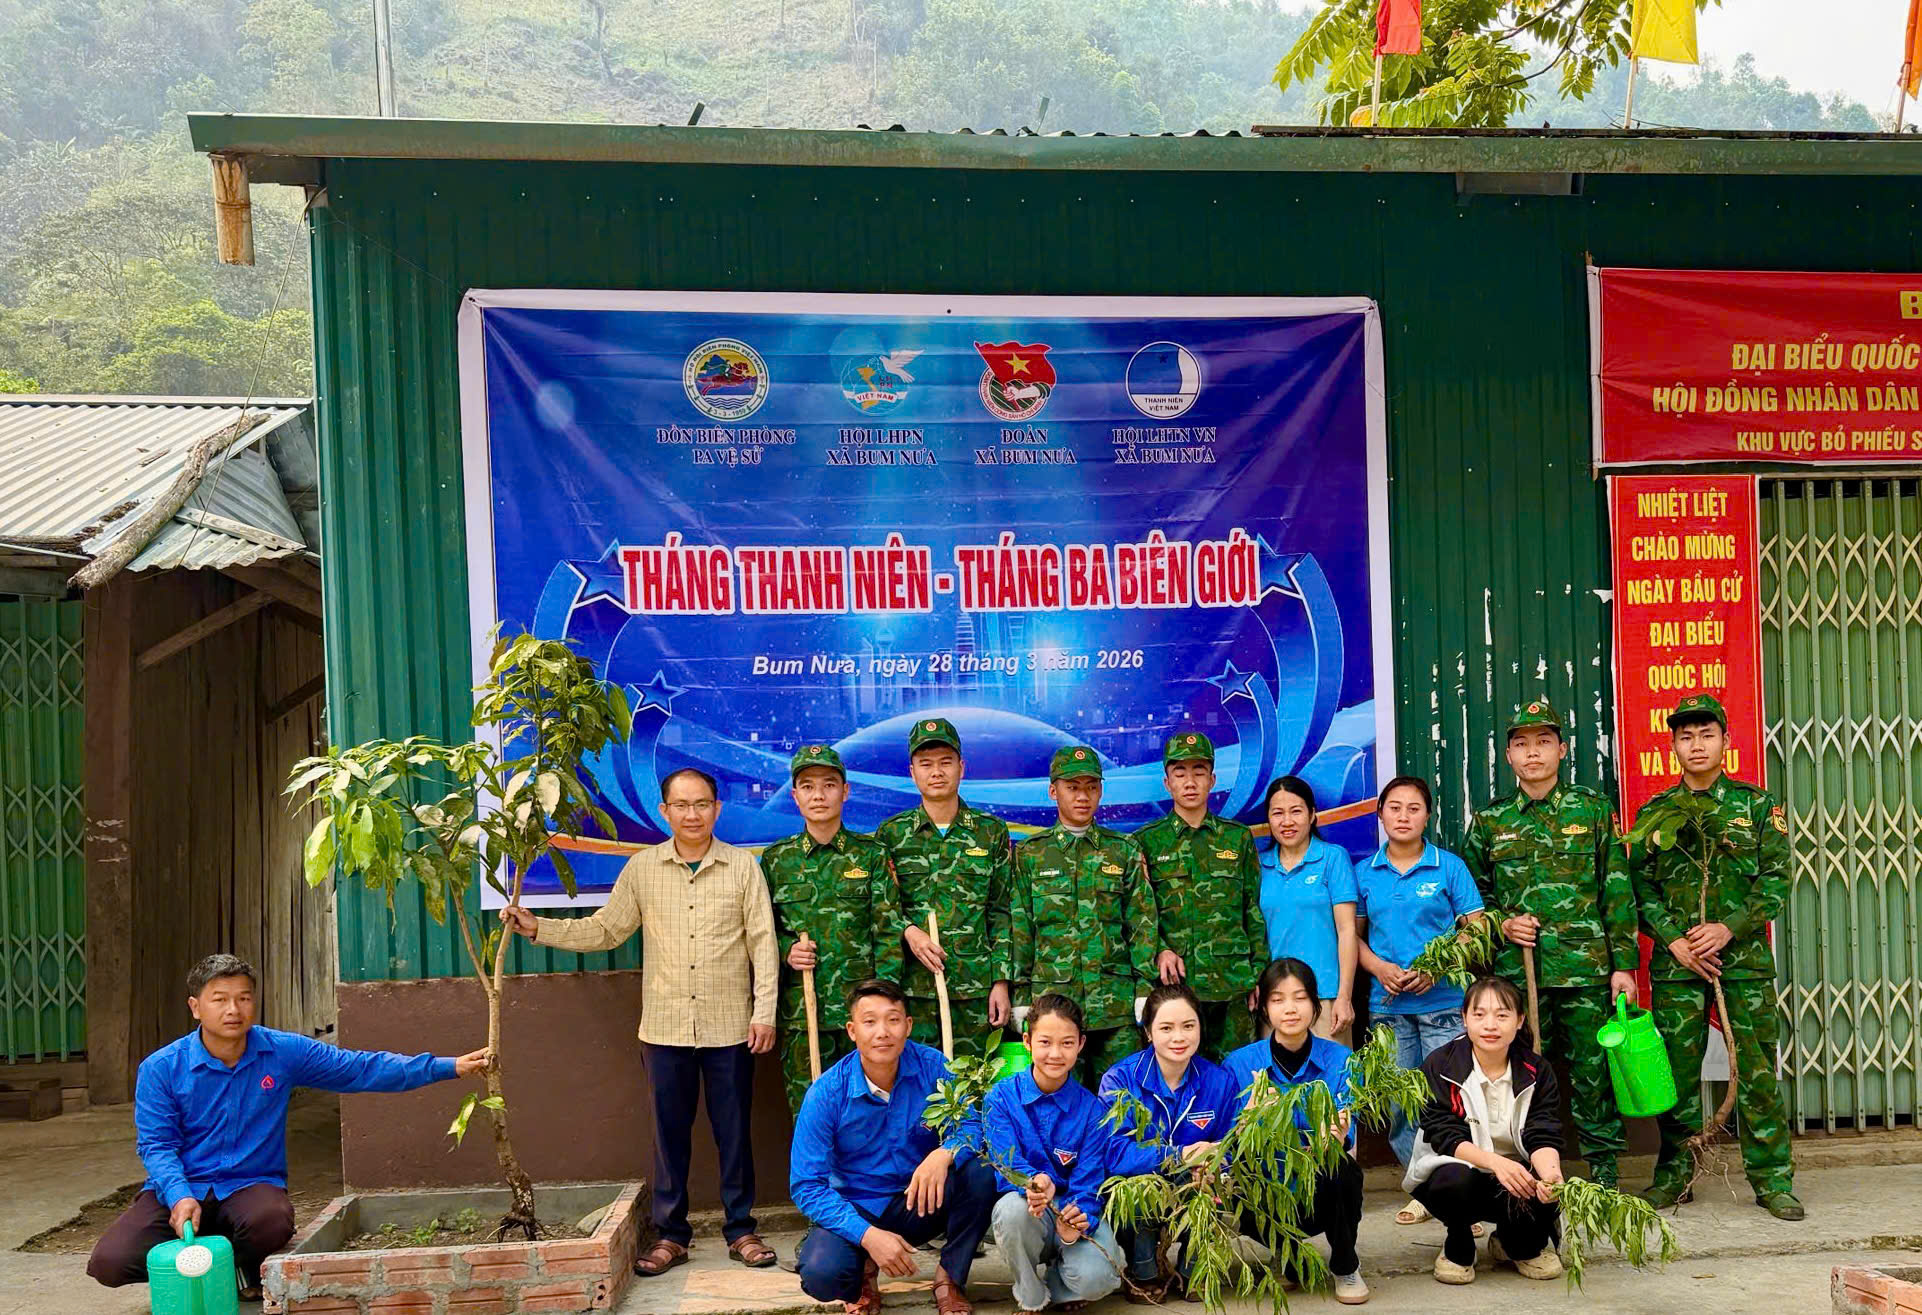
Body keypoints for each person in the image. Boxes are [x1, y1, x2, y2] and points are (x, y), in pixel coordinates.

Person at [501, 766, 781, 1274]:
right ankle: (671, 1235)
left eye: (702, 804)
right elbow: (606, 930)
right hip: (665, 1028)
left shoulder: (743, 868)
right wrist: (539, 928)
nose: (692, 814)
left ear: (717, 809)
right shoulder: (643, 869)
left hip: (730, 1027)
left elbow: (764, 945)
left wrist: (764, 1013)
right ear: (664, 811)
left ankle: (741, 1230)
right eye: (682, 805)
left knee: (735, 1133)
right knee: (668, 1136)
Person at [87, 954, 488, 1299]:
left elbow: (360, 1068)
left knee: (271, 1221)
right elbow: (157, 1145)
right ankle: (209, 1267)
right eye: (220, 999)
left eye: (244, 998)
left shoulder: (281, 1052)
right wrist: (178, 1196)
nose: (233, 1009)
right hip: (180, 1187)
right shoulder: (161, 1068)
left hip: (249, 1185)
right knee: (110, 1262)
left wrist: (449, 1066)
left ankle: (242, 1265)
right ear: (196, 1007)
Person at [1630, 693, 1801, 1220]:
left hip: (1741, 963)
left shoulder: (1756, 806)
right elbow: (1639, 888)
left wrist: (1729, 928)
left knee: (1756, 1072)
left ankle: (1772, 1180)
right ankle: (1675, 1176)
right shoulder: (1656, 814)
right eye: (1686, 736)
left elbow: (1776, 879)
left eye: (1706, 734)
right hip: (1677, 966)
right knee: (1676, 1076)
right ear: (1673, 746)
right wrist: (1674, 941)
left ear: (1726, 741)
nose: (1696, 744)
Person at [1460, 699, 1638, 1189]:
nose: (1533, 753)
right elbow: (1471, 899)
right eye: (1522, 744)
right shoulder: (1490, 821)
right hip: (1518, 978)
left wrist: (1624, 966)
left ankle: (1604, 1174)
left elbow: (1616, 890)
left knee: (1593, 1075)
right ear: (1508, 756)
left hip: (1585, 971)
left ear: (1562, 750)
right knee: (1518, 1075)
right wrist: (1503, 925)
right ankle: (1521, 1168)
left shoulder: (1593, 810)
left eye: (1543, 742)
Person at [791, 980, 997, 1315]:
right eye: (869, 1022)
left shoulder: (933, 1067)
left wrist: (944, 1153)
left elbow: (973, 1125)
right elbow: (806, 1186)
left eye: (893, 1020)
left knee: (981, 1171)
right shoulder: (827, 1093)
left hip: (921, 1200)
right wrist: (867, 1235)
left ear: (908, 1026)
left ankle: (949, 1278)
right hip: (858, 1207)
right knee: (821, 1275)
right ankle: (862, 1275)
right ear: (852, 1030)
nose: (882, 1032)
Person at [1352, 773, 1486, 1224]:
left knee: (1450, 1101)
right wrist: (1379, 968)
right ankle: (1424, 1189)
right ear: (1380, 814)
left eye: (1414, 808)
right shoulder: (1364, 873)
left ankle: (1458, 1185)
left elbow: (1477, 930)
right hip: (1388, 1009)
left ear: (1428, 816)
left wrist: (1438, 968)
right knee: (1399, 1104)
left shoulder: (1449, 867)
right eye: (1394, 808)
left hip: (1444, 1006)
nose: (1403, 816)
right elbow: (1352, 938)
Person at [762, 745, 906, 1117]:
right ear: (795, 796)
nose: (819, 795)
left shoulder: (871, 855)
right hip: (802, 1013)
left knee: (869, 1115)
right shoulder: (777, 860)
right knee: (809, 1116)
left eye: (828, 785)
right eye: (807, 786)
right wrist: (786, 949)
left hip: (862, 1019)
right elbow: (760, 932)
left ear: (845, 791)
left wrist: (882, 1009)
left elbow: (888, 933)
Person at [1223, 958, 1370, 1306]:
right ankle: (1285, 1251)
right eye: (1278, 999)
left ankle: (1345, 1265)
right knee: (1236, 1187)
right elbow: (1227, 1145)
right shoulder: (1239, 1064)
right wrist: (1249, 1119)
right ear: (1264, 1007)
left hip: (1317, 1188)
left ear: (1316, 1005)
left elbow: (1346, 1124)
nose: (1290, 1009)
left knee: (1342, 1170)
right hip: (1265, 1190)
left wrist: (1335, 1135)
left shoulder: (1342, 1061)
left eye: (1300, 998)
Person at [1403, 976, 1566, 1286]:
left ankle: (1513, 1243)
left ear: (1519, 1020)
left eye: (1502, 1015)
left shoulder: (1537, 1070)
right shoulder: (1441, 1066)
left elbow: (1543, 1130)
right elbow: (1444, 1135)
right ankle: (1458, 1243)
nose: (1490, 1025)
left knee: (1545, 1185)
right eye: (1479, 1014)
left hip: (1514, 1176)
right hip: (1457, 1169)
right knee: (1454, 1181)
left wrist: (1550, 1177)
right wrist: (1495, 1162)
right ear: (1464, 1018)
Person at [1012, 745, 1161, 1082]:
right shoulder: (1031, 855)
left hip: (1116, 1006)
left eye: (1091, 787)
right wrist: (1020, 997)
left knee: (1123, 1096)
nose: (1083, 796)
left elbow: (1142, 923)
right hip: (1054, 1007)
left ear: (1101, 791)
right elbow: (1020, 928)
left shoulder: (1123, 850)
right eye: (1073, 787)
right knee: (1059, 1097)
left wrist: (1144, 988)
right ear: (1053, 791)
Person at [875, 719, 1015, 1059]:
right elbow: (882, 907)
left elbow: (1002, 911)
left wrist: (1001, 982)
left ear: (961, 768)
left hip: (975, 991)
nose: (936, 772)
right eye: (926, 764)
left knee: (975, 1083)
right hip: (914, 992)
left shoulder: (990, 832)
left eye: (945, 762)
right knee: (917, 1084)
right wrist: (909, 931)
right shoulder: (892, 834)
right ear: (912, 772)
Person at [1097, 982, 1240, 1302]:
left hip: (1195, 1186)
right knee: (1136, 1187)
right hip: (1140, 1187)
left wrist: (1216, 1164)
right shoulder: (1121, 1080)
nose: (1179, 1037)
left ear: (1200, 1028)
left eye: (1188, 1026)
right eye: (1166, 1028)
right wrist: (1179, 1156)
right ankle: (1143, 1271)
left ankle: (1194, 1268)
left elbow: (1231, 1143)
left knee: (1213, 1183)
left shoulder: (1220, 1081)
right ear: (1148, 1032)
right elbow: (1113, 1152)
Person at [985, 994, 1124, 1314]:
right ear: (1027, 1042)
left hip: (1069, 1206)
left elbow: (1089, 1180)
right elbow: (1005, 1160)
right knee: (1011, 1211)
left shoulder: (1092, 1110)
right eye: (1045, 1042)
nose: (1055, 1053)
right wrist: (1033, 1182)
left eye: (1067, 1043)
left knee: (1100, 1279)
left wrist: (1077, 1219)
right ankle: (1030, 1293)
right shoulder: (1001, 1098)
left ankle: (1060, 1286)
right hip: (1029, 1206)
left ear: (1081, 1044)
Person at [1132, 733, 1266, 1059]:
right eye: (1180, 773)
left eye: (1199, 772)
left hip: (1232, 984)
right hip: (1174, 988)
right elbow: (1138, 914)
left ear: (1212, 780)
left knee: (1238, 1076)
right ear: (1167, 783)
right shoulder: (1145, 842)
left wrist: (1257, 973)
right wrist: (1159, 949)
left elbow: (1251, 909)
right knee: (1179, 1073)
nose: (1190, 782)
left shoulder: (1237, 838)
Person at [1258, 776, 1360, 1045]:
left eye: (1296, 811)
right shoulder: (1258, 865)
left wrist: (1344, 996)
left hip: (1324, 996)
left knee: (1331, 1071)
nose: (1287, 821)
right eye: (1277, 813)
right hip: (1274, 998)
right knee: (1275, 1072)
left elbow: (1347, 930)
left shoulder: (1333, 858)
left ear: (1312, 814)